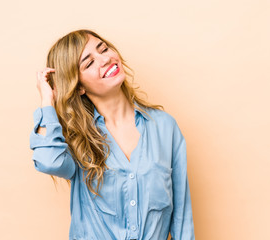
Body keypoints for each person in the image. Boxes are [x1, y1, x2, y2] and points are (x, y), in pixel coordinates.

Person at [29, 29, 195, 240]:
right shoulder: (76, 140)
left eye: (103, 49)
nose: (105, 59)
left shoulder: (164, 127)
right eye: (88, 63)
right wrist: (47, 101)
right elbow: (48, 161)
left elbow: (181, 218)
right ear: (78, 86)